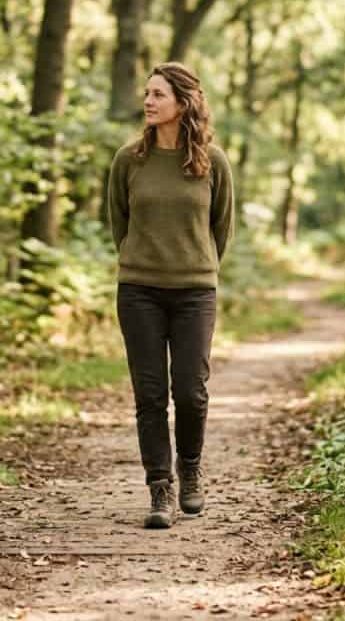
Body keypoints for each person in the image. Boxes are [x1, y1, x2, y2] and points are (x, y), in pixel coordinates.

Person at [107, 62, 235, 529]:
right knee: (150, 395)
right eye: (146, 93)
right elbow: (118, 223)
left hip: (195, 292)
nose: (148, 101)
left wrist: (194, 264)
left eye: (158, 94)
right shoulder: (129, 159)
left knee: (191, 391)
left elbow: (221, 228)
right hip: (138, 291)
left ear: (183, 103)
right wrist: (143, 262)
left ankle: (191, 471)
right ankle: (160, 488)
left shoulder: (211, 161)